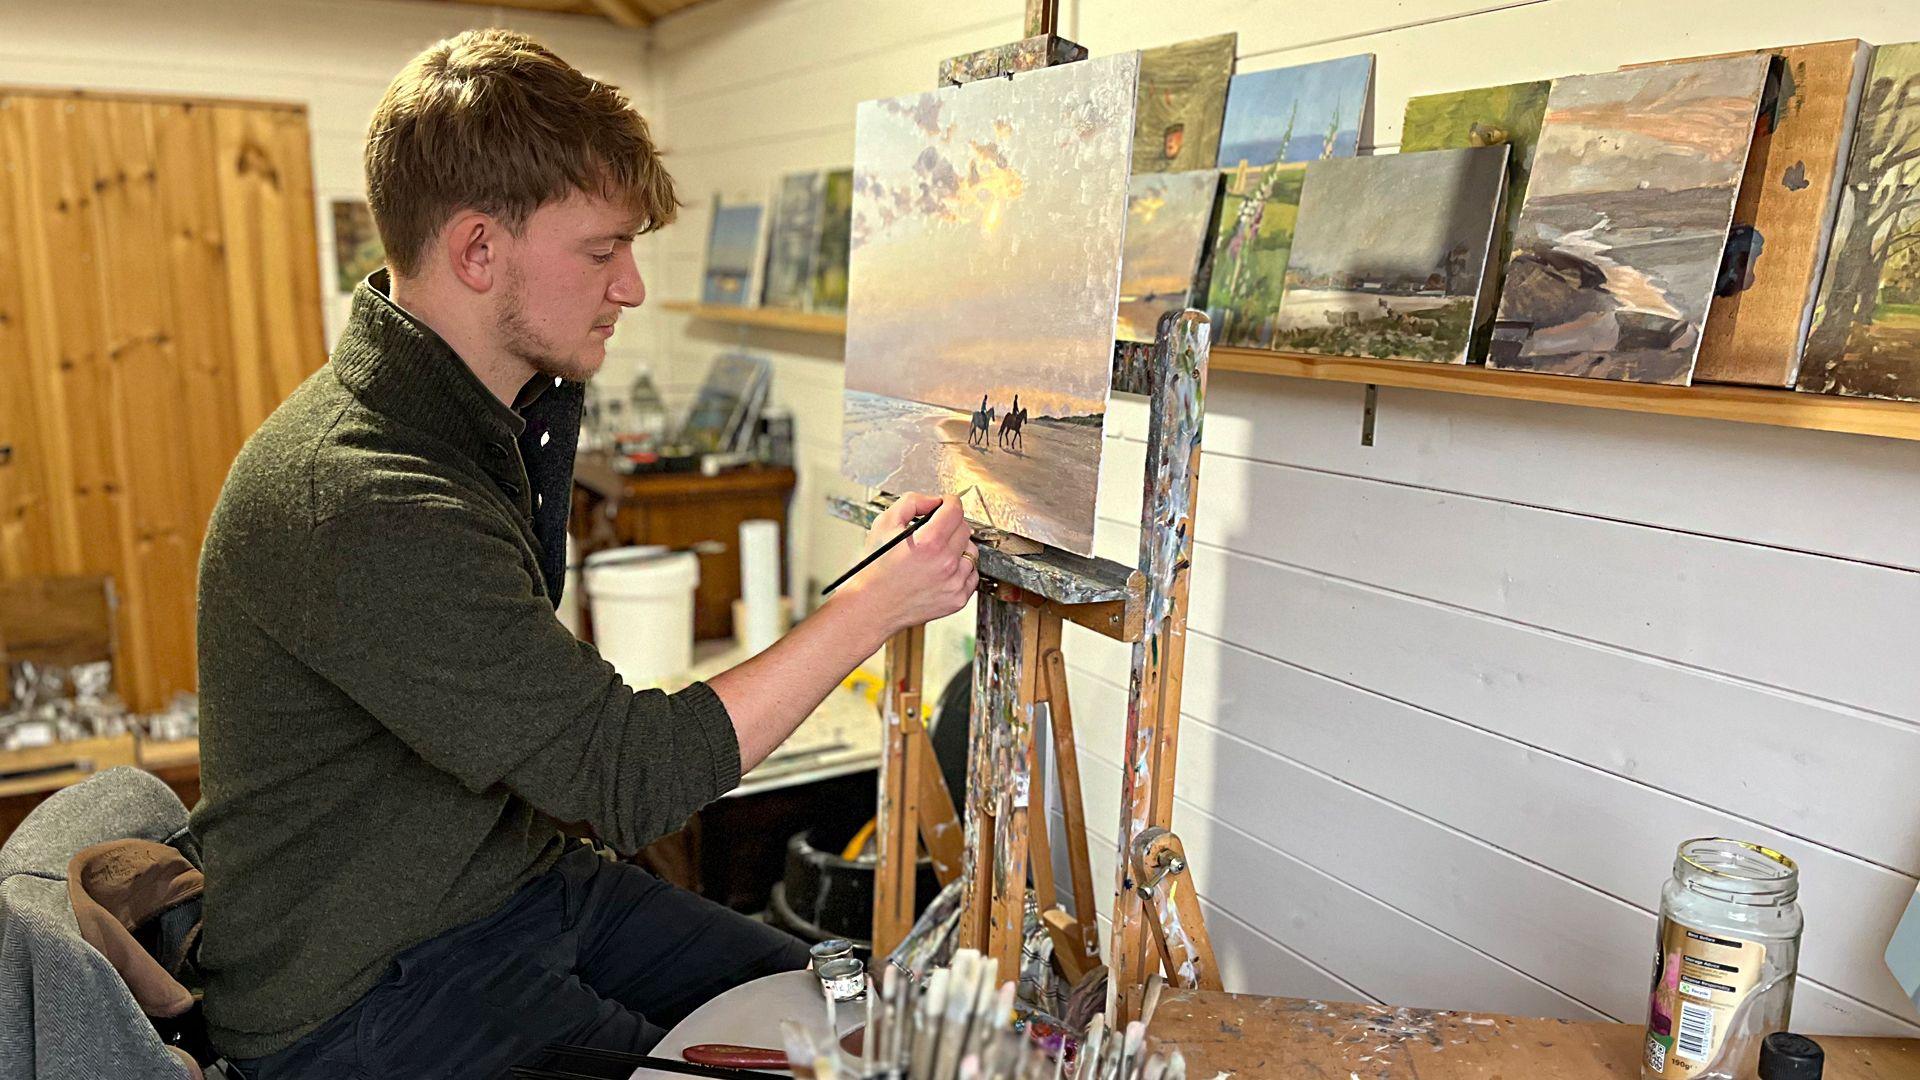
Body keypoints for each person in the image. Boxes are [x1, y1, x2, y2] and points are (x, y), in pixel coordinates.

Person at [191, 28, 978, 1080]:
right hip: (356, 995)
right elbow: (627, 776)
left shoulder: (478, 416)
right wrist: (874, 605)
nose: (634, 288)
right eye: (603, 252)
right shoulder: (363, 491)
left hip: (511, 888)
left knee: (846, 1011)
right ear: (478, 250)